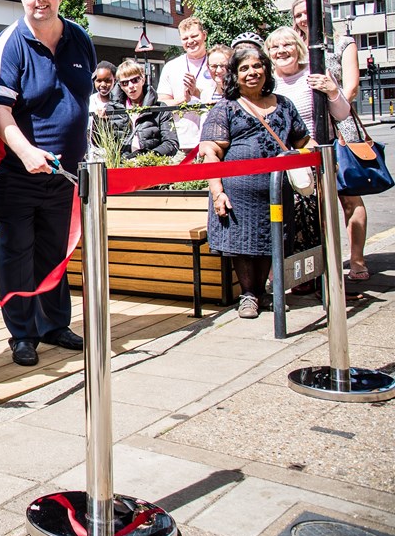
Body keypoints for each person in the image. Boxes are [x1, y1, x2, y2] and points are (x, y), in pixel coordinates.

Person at [0, 0, 93, 367]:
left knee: (56, 250)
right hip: (18, 174)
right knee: (17, 253)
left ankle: (54, 324)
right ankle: (22, 333)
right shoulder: (10, 42)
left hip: (65, 175)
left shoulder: (79, 38)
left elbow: (82, 101)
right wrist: (26, 151)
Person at [199, 44, 310, 319]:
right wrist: (218, 193)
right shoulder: (226, 108)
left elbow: (304, 141)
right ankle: (249, 296)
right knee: (244, 245)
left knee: (271, 241)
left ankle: (266, 292)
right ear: (234, 75)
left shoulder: (284, 104)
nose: (252, 73)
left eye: (257, 66)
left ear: (266, 69)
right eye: (244, 68)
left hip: (277, 191)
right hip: (239, 194)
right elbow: (210, 152)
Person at [293, 0, 370, 280]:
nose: (303, 18)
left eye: (307, 12)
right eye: (298, 14)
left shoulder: (343, 43)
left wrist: (332, 106)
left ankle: (358, 259)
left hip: (339, 129)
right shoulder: (295, 48)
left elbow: (350, 87)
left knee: (349, 198)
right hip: (307, 134)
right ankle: (322, 263)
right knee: (312, 203)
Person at [157, 17, 217, 151]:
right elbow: (161, 104)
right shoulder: (171, 66)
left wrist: (196, 92)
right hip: (181, 142)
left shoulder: (217, 63)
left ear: (204, 35)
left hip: (213, 140)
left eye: (194, 36)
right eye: (185, 38)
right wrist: (183, 99)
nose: (190, 41)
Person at [105, 59, 179, 160]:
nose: (130, 86)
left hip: (151, 166)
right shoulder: (112, 110)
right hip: (122, 168)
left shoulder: (160, 109)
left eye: (135, 80)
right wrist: (99, 119)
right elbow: (99, 142)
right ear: (120, 86)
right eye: (125, 83)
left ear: (143, 80)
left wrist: (146, 157)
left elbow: (171, 143)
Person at [88, 60, 116, 135]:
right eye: (99, 81)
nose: (103, 84)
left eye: (107, 81)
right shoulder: (89, 101)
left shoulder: (119, 102)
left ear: (115, 80)